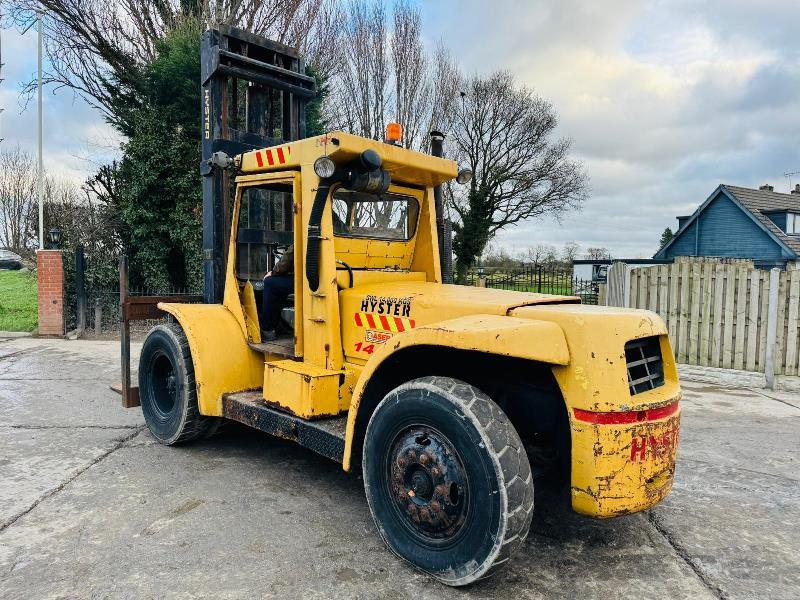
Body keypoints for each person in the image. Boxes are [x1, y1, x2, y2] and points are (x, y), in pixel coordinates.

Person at [261, 245, 294, 341]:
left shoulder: (306, 234)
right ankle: (280, 323)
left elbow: (288, 258)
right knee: (281, 284)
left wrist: (273, 272)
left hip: (304, 281)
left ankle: (267, 330)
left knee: (270, 283)